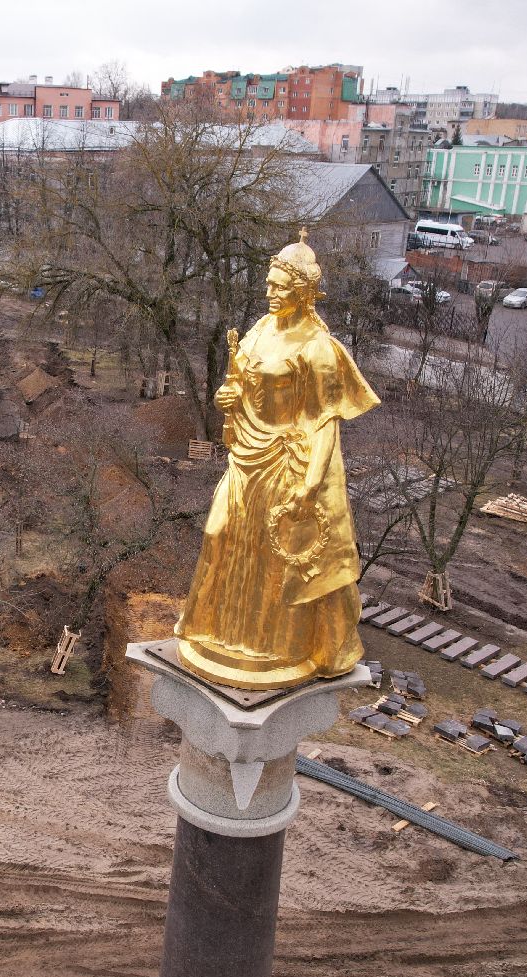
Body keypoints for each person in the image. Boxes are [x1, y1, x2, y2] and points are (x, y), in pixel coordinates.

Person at [174, 233, 380, 690]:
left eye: (280, 287)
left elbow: (326, 423)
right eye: (268, 285)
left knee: (275, 563)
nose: (270, 294)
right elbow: (238, 390)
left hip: (287, 465)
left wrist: (309, 485)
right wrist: (225, 398)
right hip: (245, 458)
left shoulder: (319, 349)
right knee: (221, 535)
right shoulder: (259, 330)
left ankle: (273, 649)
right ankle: (215, 631)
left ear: (304, 292)